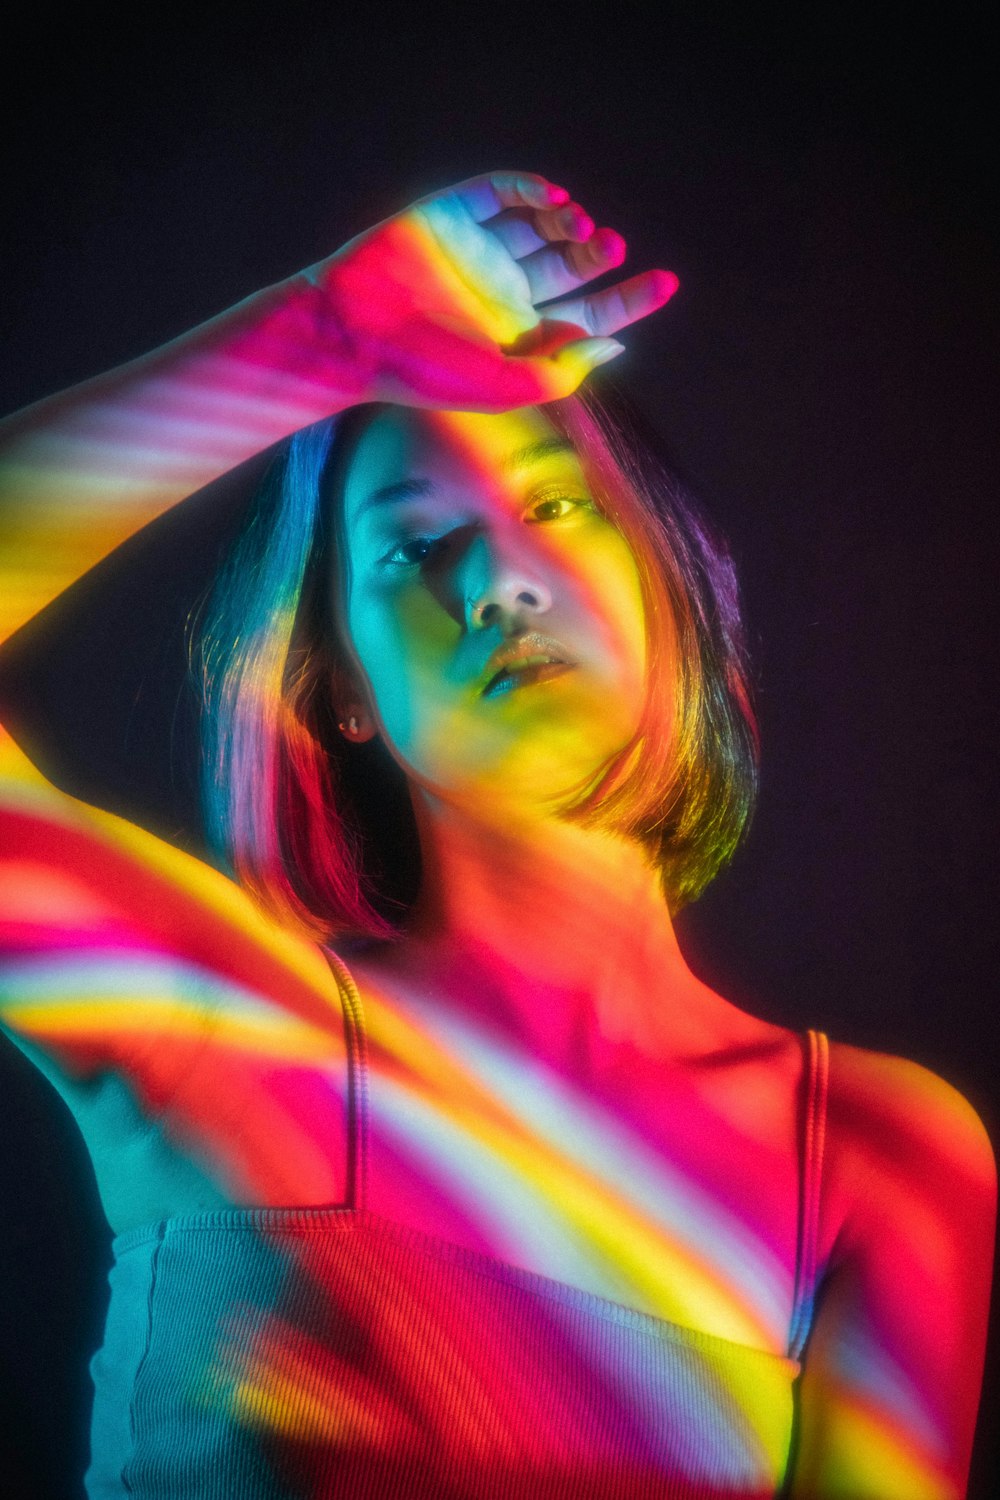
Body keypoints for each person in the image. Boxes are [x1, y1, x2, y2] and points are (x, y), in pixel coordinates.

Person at [0, 171, 994, 1499]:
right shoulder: (209, 1020)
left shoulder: (877, 1161)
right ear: (339, 686)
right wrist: (317, 339)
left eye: (559, 505)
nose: (497, 578)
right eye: (413, 550)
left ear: (666, 592)